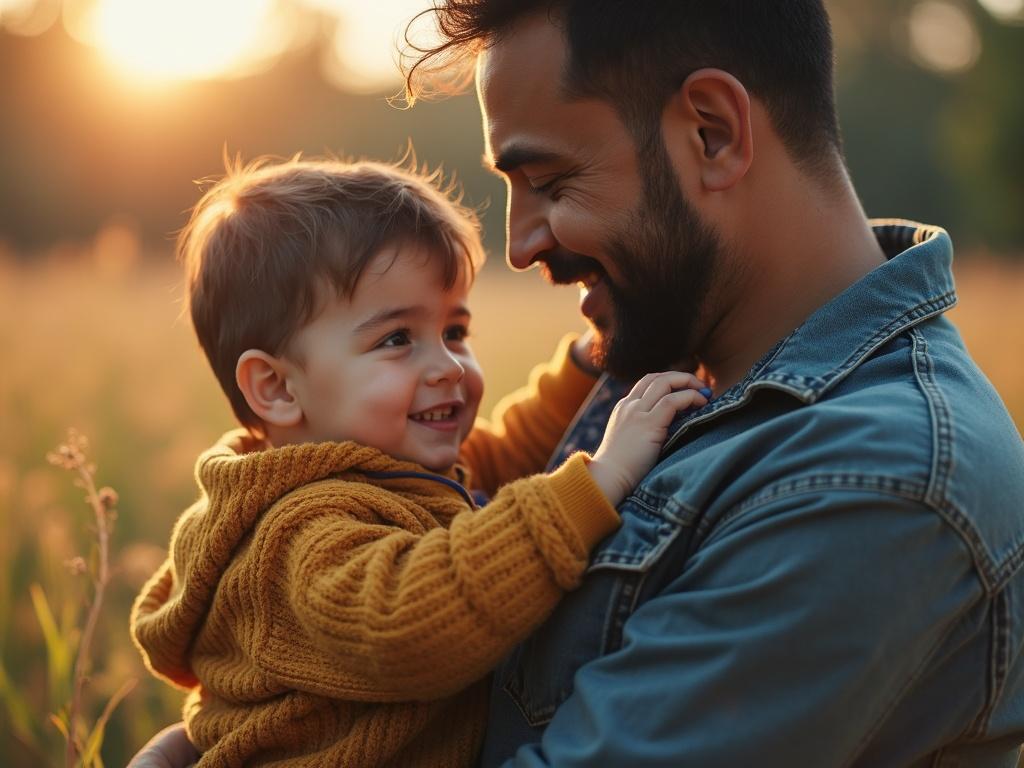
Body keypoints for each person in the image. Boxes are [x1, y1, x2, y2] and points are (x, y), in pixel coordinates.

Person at [131, 1, 1024, 765]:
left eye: (551, 180)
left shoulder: (874, 483)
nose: (519, 246)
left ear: (712, 133)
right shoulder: (668, 350)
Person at [128, 157, 709, 767]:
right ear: (276, 388)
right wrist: (598, 481)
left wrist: (591, 366)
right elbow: (412, 624)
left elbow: (508, 453)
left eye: (454, 331)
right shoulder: (296, 535)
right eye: (397, 339)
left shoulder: (391, 469)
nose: (448, 366)